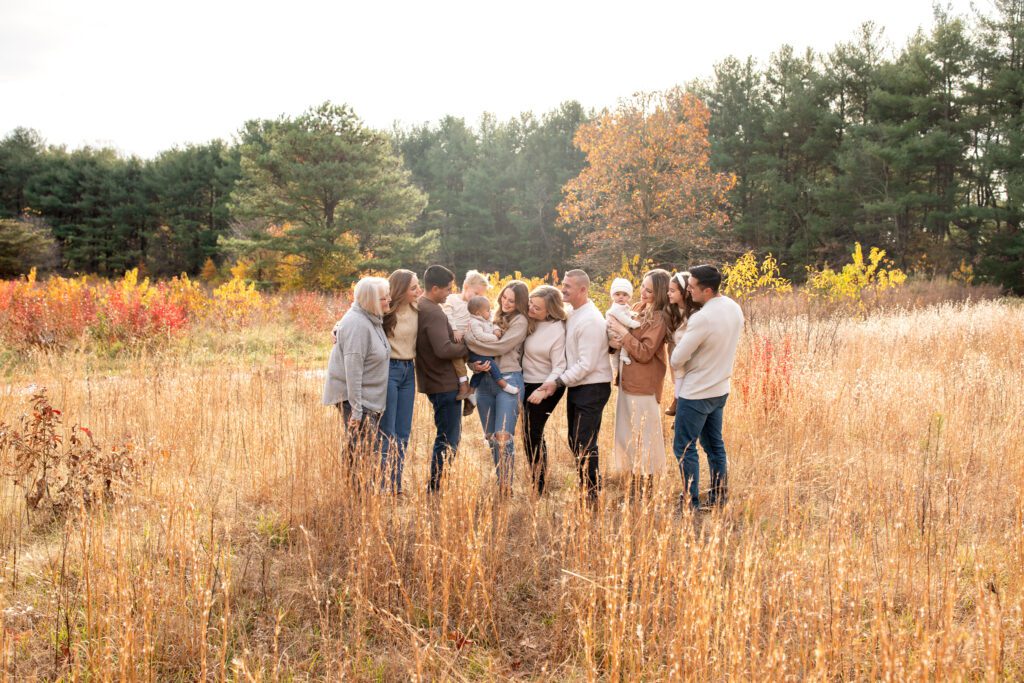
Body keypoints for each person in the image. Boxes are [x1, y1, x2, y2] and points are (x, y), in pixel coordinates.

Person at [670, 265, 744, 510]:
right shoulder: (734, 308)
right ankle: (718, 497)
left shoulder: (702, 318)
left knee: (684, 447)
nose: (688, 291)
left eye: (692, 287)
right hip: (720, 388)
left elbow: (677, 359)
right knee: (714, 446)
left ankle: (690, 502)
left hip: (696, 392)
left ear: (708, 290)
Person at [536, 269, 613, 501]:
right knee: (575, 439)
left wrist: (557, 382)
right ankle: (586, 487)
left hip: (593, 386)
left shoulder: (590, 320)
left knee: (584, 441)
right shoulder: (573, 311)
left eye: (568, 286)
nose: (563, 288)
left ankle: (591, 493)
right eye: (563, 284)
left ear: (583, 289)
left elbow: (586, 364)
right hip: (579, 386)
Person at [607, 270, 671, 495]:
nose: (643, 293)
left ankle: (648, 486)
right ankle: (632, 480)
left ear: (660, 293)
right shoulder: (635, 309)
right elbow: (618, 339)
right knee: (627, 433)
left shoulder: (660, 317)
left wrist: (623, 334)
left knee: (645, 435)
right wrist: (614, 343)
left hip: (644, 384)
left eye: (649, 290)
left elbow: (645, 352)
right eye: (642, 287)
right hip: (626, 380)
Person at [322, 276, 392, 481]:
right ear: (370, 300)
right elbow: (352, 371)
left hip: (369, 398)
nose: (389, 301)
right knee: (360, 450)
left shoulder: (372, 318)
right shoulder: (357, 325)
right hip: (356, 399)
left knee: (364, 449)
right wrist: (356, 409)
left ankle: (361, 494)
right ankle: (357, 497)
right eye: (384, 298)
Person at [464, 281, 529, 493]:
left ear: (520, 303)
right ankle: (500, 478)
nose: (507, 303)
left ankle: (505, 486)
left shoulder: (520, 321)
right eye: (504, 298)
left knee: (503, 435)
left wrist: (471, 342)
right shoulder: (490, 318)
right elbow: (474, 355)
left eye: (512, 300)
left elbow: (502, 346)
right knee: (492, 437)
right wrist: (473, 363)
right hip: (484, 381)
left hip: (508, 379)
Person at [416, 265, 469, 493]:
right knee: (449, 439)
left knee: (446, 435)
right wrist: (468, 346)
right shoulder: (434, 312)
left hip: (433, 381)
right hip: (444, 383)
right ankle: (436, 487)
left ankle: (437, 485)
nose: (449, 293)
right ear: (434, 288)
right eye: (447, 289)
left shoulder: (420, 306)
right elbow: (443, 349)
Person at [521, 285, 567, 495]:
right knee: (526, 433)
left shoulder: (557, 330)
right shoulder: (528, 320)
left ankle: (540, 485)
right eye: (530, 303)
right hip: (525, 382)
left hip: (546, 385)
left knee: (533, 432)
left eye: (537, 307)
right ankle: (537, 478)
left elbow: (560, 366)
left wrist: (544, 389)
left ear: (549, 311)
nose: (531, 308)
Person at [379, 269, 421, 494]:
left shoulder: (418, 309)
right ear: (401, 290)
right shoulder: (384, 310)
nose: (418, 291)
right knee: (388, 431)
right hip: (389, 370)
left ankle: (395, 484)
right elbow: (355, 318)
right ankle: (382, 485)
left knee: (403, 431)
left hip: (408, 371)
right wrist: (336, 328)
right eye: (413, 288)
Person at [443, 270, 490, 413]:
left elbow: (485, 319)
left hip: (470, 340)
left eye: (480, 296)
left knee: (479, 362)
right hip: (455, 337)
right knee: (456, 355)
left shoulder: (475, 306)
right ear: (465, 286)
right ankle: (464, 385)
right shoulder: (452, 299)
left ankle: (471, 393)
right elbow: (447, 314)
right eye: (475, 293)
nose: (477, 298)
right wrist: (455, 329)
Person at [465, 296, 520, 396]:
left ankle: (471, 391)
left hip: (483, 351)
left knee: (482, 371)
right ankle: (503, 384)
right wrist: (495, 338)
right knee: (490, 363)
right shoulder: (474, 323)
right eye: (487, 311)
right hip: (475, 353)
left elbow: (493, 323)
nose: (490, 312)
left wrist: (496, 329)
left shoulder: (485, 318)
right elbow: (480, 336)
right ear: (478, 313)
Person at [664, 271, 701, 417]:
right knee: (678, 375)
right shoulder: (671, 309)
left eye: (673, 291)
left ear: (684, 292)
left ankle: (678, 401)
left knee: (684, 376)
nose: (669, 293)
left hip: (687, 351)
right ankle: (678, 400)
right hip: (675, 349)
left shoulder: (693, 312)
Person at [605, 278, 640, 368]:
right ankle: (615, 367)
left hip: (620, 332)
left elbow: (626, 314)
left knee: (625, 343)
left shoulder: (625, 306)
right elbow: (622, 318)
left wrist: (631, 314)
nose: (621, 297)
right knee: (616, 352)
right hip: (614, 333)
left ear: (629, 297)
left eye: (624, 295)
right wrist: (632, 323)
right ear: (613, 295)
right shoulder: (615, 308)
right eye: (617, 294)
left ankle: (623, 356)